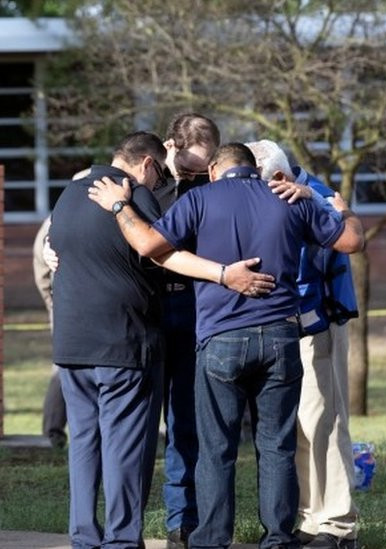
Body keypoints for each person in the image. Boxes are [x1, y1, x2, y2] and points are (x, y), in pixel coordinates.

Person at [86, 143, 365, 549]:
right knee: (277, 446)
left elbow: (147, 244)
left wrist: (118, 207)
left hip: (221, 341)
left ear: (215, 169)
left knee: (217, 447)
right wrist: (341, 208)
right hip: (282, 338)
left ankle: (212, 538)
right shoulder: (290, 199)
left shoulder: (199, 198)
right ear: (256, 170)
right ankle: (277, 538)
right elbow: (352, 242)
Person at [49, 133, 274, 549]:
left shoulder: (68, 194)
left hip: (70, 342)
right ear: (148, 165)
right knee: (125, 446)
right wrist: (224, 274)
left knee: (83, 443)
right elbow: (161, 254)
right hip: (124, 342)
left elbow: (55, 248)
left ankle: (83, 535)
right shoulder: (135, 196)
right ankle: (120, 540)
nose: (156, 187)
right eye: (156, 179)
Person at [247, 140, 361, 549]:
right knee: (297, 427)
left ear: (278, 177)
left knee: (324, 423)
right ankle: (311, 518)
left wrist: (316, 200)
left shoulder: (317, 196)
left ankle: (337, 525)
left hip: (318, 325)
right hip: (281, 326)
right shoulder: (280, 191)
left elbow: (346, 235)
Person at [155, 113, 221, 549]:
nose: (196, 177)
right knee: (138, 423)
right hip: (149, 307)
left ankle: (183, 519)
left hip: (197, 305)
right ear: (169, 147)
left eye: (205, 168)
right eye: (190, 168)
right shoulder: (142, 180)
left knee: (186, 420)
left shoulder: (215, 185)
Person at [32, 215, 68, 449]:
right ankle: (52, 431)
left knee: (63, 366)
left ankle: (52, 431)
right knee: (62, 368)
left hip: (62, 303)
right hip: (64, 303)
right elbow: (41, 265)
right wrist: (52, 304)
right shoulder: (57, 219)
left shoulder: (59, 215)